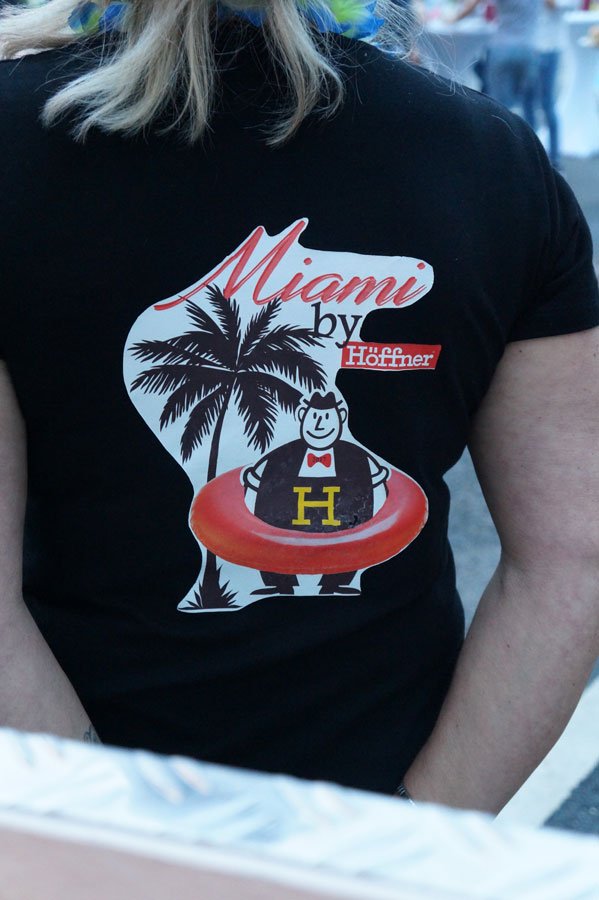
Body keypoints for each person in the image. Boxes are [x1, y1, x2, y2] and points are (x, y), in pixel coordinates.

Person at [0, 0, 598, 814]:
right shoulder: (487, 158)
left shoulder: (16, 144)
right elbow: (571, 557)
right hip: (378, 798)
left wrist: (108, 839)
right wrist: (416, 829)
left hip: (65, 802)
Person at [450, 0, 540, 126]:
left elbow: (474, 3)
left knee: (500, 108)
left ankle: (502, 136)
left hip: (502, 48)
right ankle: (531, 136)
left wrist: (453, 19)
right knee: (528, 104)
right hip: (528, 49)